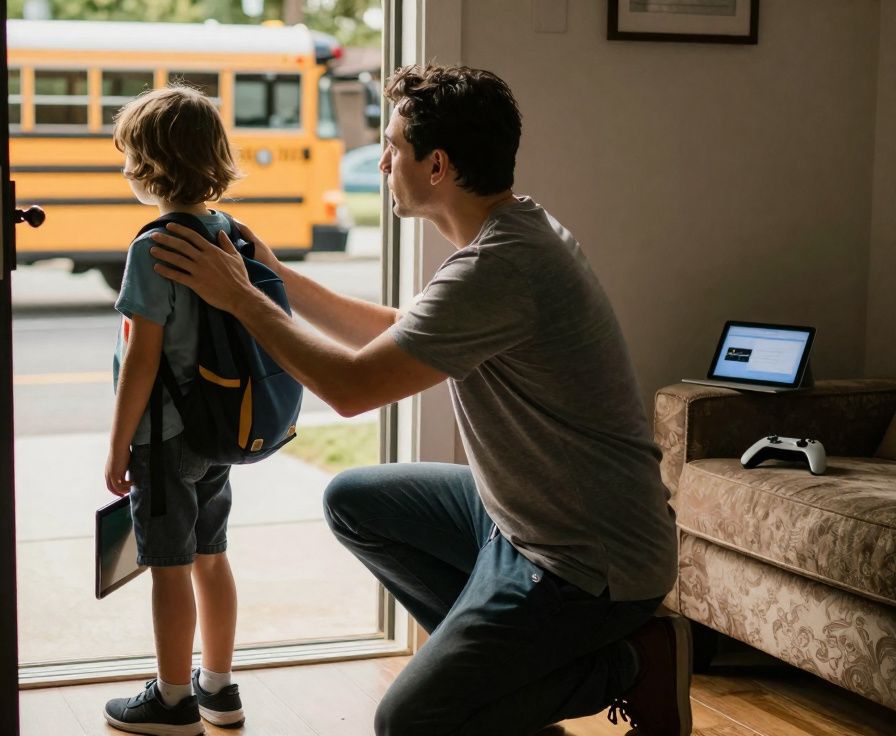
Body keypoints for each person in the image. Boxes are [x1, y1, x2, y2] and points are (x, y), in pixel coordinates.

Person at [146, 65, 691, 736]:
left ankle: (629, 663)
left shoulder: (498, 268)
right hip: (520, 521)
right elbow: (395, 336)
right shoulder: (512, 231)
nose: (381, 163)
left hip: (587, 562)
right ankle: (503, 678)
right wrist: (275, 276)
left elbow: (351, 388)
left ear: (437, 166)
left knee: (410, 723)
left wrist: (240, 298)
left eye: (393, 146)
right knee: (355, 501)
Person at [101, 85, 247, 736]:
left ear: (148, 165)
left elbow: (142, 358)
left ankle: (171, 700)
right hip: (215, 430)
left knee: (168, 568)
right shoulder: (223, 232)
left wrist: (118, 445)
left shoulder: (153, 247)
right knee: (213, 557)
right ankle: (218, 686)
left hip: (163, 438)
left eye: (128, 156)